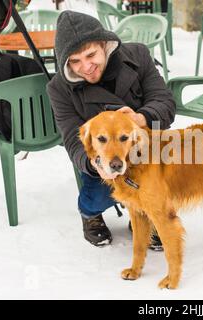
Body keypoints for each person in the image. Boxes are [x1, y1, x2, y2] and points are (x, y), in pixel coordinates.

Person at [47, 10, 176, 249]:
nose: (86, 67)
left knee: (166, 185)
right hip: (103, 159)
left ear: (104, 45)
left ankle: (142, 213)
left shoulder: (138, 55)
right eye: (75, 61)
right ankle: (89, 214)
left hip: (144, 151)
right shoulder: (59, 88)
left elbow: (165, 103)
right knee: (97, 198)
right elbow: (72, 139)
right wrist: (95, 164)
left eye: (90, 55)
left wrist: (141, 117)